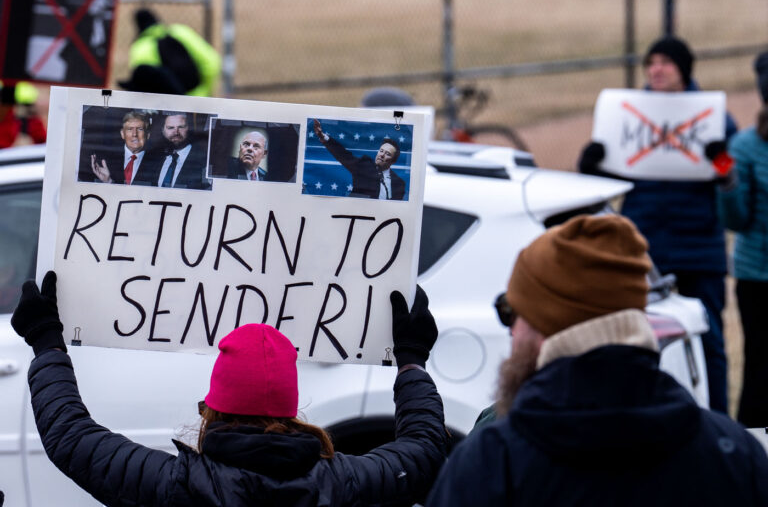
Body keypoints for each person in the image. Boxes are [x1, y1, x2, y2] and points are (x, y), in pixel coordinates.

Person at [11, 273, 446, 505]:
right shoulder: (345, 482)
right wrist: (411, 359)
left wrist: (47, 341)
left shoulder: (175, 486)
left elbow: (70, 436)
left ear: (213, 409)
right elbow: (423, 448)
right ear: (292, 410)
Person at [427, 214, 768, 506]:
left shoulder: (492, 464)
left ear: (550, 321)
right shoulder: (734, 457)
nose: (511, 333)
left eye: (511, 313)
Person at [577, 36, 737, 413]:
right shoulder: (628, 115)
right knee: (634, 337)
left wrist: (720, 162)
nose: (656, 69)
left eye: (666, 62)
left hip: (699, 245)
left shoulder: (714, 117)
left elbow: (732, 179)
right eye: (651, 62)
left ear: (683, 69)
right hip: (643, 243)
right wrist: (589, 166)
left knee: (709, 339)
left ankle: (718, 421)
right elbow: (603, 183)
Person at [717, 51, 768, 428]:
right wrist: (724, 175)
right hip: (758, 277)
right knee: (760, 371)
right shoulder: (745, 146)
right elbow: (736, 218)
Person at [119, 9, 221, 97]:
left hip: (169, 106)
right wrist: (200, 94)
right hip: (200, 99)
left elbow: (145, 84)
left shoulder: (140, 47)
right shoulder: (181, 32)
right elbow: (212, 62)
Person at [312, 119, 405, 200]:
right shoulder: (364, 166)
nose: (382, 155)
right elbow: (343, 155)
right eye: (381, 151)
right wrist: (323, 137)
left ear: (393, 161)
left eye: (387, 154)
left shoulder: (399, 183)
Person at [137, 112, 210, 190]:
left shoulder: (204, 160)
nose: (176, 132)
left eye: (181, 127)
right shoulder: (153, 160)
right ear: (163, 130)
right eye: (170, 128)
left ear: (189, 128)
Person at [90, 111, 152, 185]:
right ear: (122, 134)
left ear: (147, 135)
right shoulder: (104, 162)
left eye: (140, 129)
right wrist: (108, 181)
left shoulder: (159, 165)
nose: (134, 134)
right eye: (130, 129)